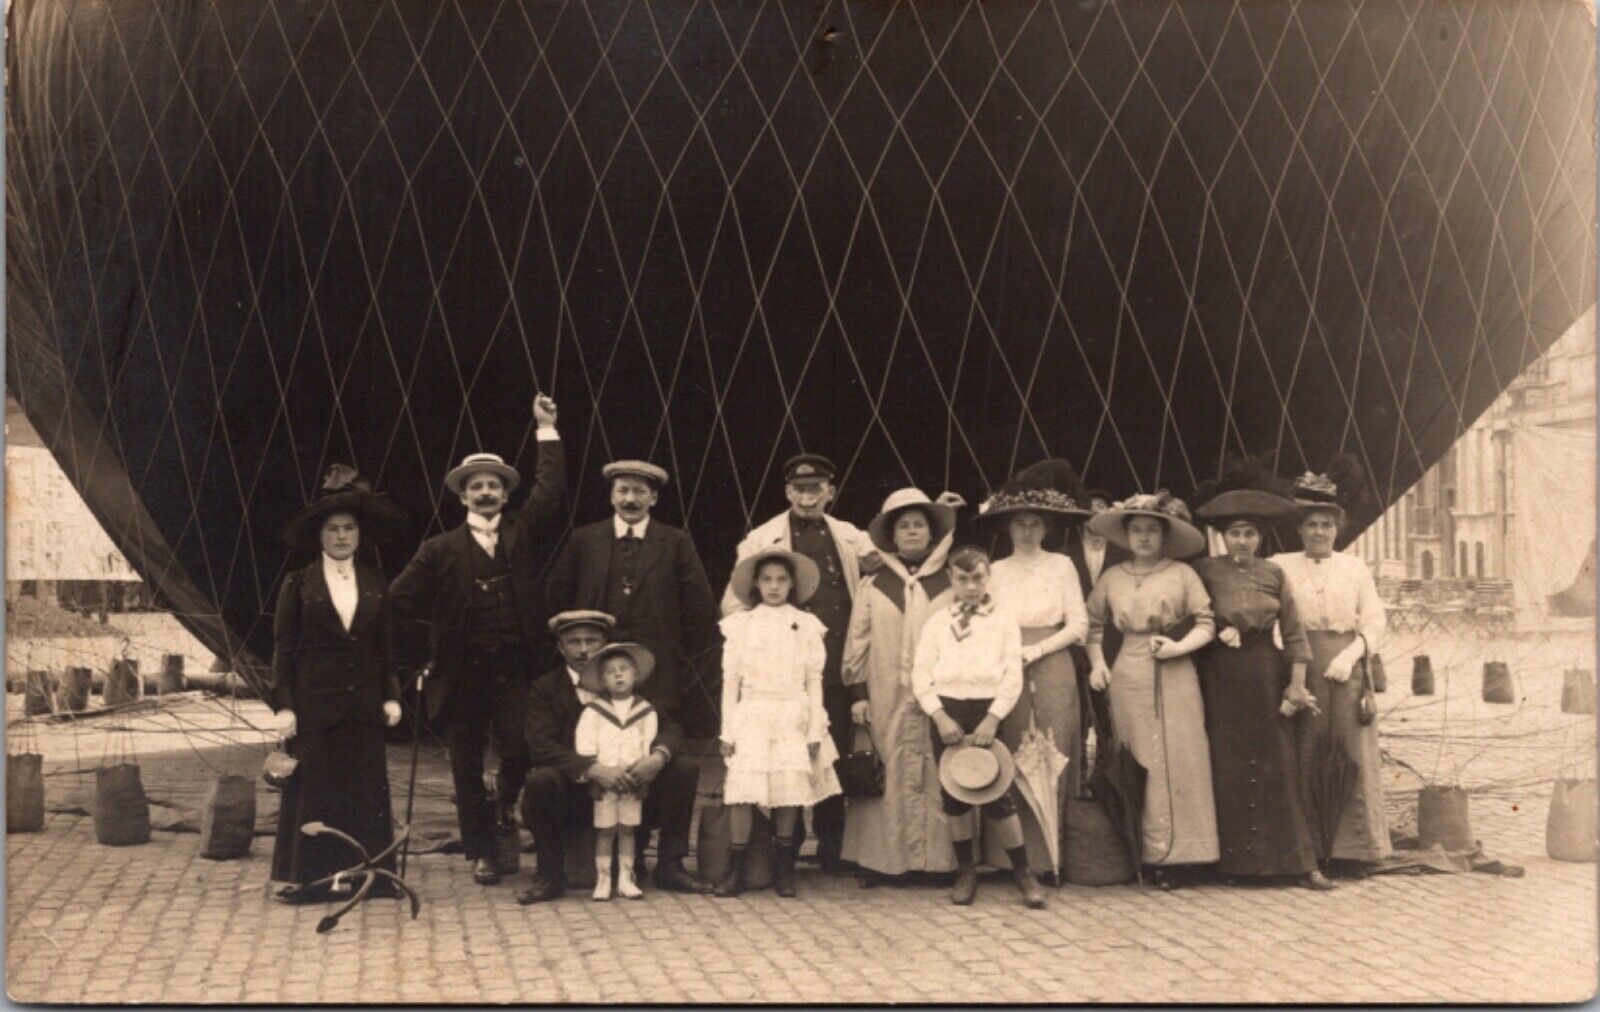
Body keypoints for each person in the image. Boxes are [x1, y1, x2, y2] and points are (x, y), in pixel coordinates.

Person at [389, 395, 565, 886]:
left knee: (521, 745)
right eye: (476, 487)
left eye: (493, 486)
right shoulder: (438, 549)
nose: (485, 493)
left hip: (516, 665)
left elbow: (550, 492)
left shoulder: (523, 533)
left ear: (505, 495)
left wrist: (546, 429)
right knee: (465, 766)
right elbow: (398, 601)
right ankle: (482, 853)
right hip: (461, 670)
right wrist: (425, 654)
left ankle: (505, 802)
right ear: (462, 497)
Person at [719, 454, 878, 871]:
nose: (808, 497)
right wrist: (764, 646)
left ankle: (832, 847)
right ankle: (774, 852)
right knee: (776, 756)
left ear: (831, 492)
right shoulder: (761, 540)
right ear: (788, 492)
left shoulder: (850, 536)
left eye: (817, 489)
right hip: (782, 673)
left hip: (836, 664)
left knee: (832, 751)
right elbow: (733, 604)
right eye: (800, 489)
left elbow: (892, 564)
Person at [269, 466, 406, 903]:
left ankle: (372, 877)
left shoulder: (374, 582)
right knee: (316, 790)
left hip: (363, 705)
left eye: (349, 529)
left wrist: (391, 694)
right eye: (333, 529)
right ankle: (310, 880)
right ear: (320, 535)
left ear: (359, 535)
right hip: (315, 705)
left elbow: (386, 646)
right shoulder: (299, 583)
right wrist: (284, 706)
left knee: (366, 788)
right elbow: (283, 649)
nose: (342, 537)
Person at [517, 611, 712, 901]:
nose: (583, 649)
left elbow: (670, 726)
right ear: (561, 648)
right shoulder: (546, 688)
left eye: (591, 641)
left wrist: (656, 758)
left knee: (682, 767)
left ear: (605, 644)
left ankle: (670, 866)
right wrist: (592, 769)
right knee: (541, 780)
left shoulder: (627, 679)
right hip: (580, 793)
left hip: (635, 789)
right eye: (574, 642)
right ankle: (550, 875)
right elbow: (540, 745)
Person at [1193, 487, 1331, 890]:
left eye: (1250, 534)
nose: (1242, 541)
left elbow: (1293, 631)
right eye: (1235, 533)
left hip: (1265, 672)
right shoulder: (1205, 570)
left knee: (1280, 762)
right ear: (1222, 536)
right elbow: (1187, 615)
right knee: (1228, 762)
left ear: (1261, 539)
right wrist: (1219, 628)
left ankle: (1299, 864)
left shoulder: (1273, 574)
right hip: (1219, 672)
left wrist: (1296, 685)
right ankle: (1235, 865)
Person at [1085, 492, 1219, 889]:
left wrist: (1179, 646)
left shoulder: (1182, 574)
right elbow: (1092, 625)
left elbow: (1206, 622)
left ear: (1164, 536)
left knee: (1181, 754)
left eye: (1152, 530)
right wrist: (1097, 663)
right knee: (1140, 755)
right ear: (1126, 536)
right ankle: (1146, 854)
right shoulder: (1112, 577)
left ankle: (1189, 856)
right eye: (1136, 530)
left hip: (1175, 667)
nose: (1143, 537)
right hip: (1129, 669)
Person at [913, 545, 1046, 908]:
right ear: (950, 580)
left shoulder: (1003, 620)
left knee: (996, 794)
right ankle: (966, 870)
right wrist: (939, 716)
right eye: (962, 579)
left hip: (988, 711)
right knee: (955, 794)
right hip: (948, 712)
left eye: (978, 578)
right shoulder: (937, 622)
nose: (971, 586)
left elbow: (1012, 676)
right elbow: (921, 674)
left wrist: (993, 718)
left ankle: (1023, 872)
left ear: (989, 577)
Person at [1272, 472, 1392, 868]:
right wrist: (1294, 666)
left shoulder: (1355, 568)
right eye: (1311, 524)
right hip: (1299, 666)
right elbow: (1276, 621)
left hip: (1346, 666)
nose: (1319, 532)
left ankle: (1355, 848)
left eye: (1327, 524)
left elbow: (1375, 622)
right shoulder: (1281, 566)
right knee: (1305, 750)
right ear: (1299, 529)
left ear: (1337, 528)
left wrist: (1350, 655)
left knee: (1349, 748)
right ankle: (1313, 850)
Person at [840, 488, 959, 885]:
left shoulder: (950, 582)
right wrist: (857, 694)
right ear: (892, 535)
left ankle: (939, 862)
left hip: (941, 692)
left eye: (919, 525)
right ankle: (880, 860)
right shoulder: (874, 584)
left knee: (937, 765)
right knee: (884, 764)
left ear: (931, 532)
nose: (911, 532)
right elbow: (857, 640)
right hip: (884, 689)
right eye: (903, 526)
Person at [545, 460, 720, 726]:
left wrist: (678, 656)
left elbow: (699, 608)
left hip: (657, 668)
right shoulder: (584, 540)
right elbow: (557, 596)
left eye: (639, 492)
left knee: (655, 736)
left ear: (654, 498)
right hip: (596, 664)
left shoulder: (676, 541)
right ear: (611, 496)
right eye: (623, 491)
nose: (630, 499)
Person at [974, 482, 1090, 879]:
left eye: (1035, 524)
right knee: (1012, 744)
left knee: (1057, 744)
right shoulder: (996, 571)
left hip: (1053, 658)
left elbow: (1079, 624)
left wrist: (1038, 651)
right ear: (1008, 529)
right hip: (1006, 660)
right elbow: (984, 618)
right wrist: (1007, 655)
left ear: (1046, 529)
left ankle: (1056, 854)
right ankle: (1013, 857)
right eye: (1019, 523)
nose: (1027, 531)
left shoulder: (1062, 565)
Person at [715, 548, 842, 898]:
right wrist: (728, 731)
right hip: (753, 713)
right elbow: (731, 683)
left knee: (788, 792)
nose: (774, 586)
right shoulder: (741, 625)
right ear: (756, 583)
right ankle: (735, 870)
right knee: (742, 792)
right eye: (767, 579)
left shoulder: (807, 625)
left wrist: (814, 728)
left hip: (792, 713)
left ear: (792, 584)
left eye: (782, 579)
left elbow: (813, 681)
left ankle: (785, 867)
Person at [574, 642, 658, 901]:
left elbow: (649, 743)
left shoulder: (645, 711)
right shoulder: (594, 711)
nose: (618, 675)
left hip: (632, 780)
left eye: (624, 670)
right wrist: (597, 769)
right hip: (606, 780)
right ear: (602, 680)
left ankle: (625, 877)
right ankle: (603, 879)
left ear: (635, 675)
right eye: (611, 672)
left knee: (627, 829)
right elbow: (584, 742)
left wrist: (640, 771)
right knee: (606, 830)